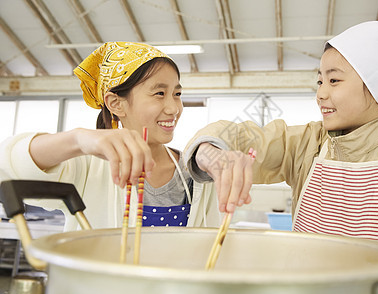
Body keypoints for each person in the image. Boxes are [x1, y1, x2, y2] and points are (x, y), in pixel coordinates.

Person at [183, 21, 378, 294]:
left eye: (334, 80)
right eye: (320, 81)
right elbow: (238, 136)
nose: (321, 93)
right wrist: (211, 153)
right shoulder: (310, 142)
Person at [0, 42, 222, 231]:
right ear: (116, 103)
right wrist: (78, 139)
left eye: (177, 94)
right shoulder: (87, 167)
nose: (174, 108)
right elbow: (10, 167)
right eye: (159, 93)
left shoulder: (195, 170)